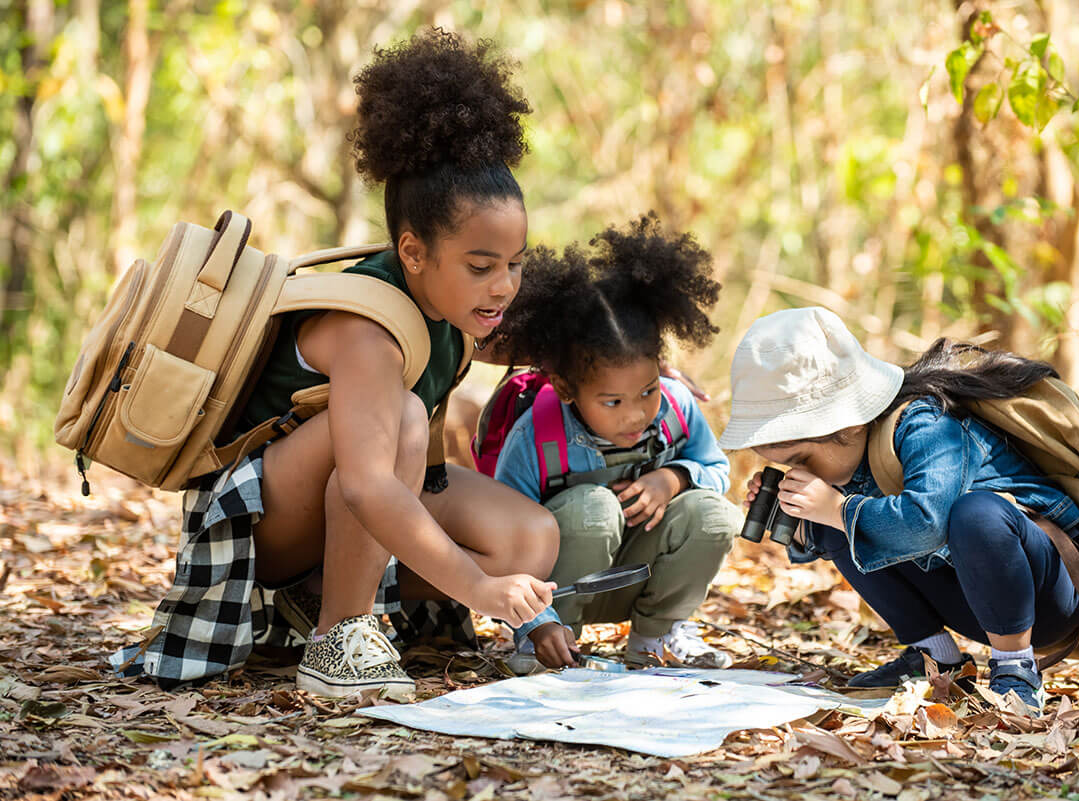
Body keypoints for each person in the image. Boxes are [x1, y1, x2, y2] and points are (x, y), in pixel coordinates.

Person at [111, 30, 559, 697]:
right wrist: (480, 588)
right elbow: (368, 486)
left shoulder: (459, 309)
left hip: (345, 493)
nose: (503, 287)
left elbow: (555, 344)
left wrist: (654, 373)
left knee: (530, 536)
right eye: (482, 266)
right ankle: (337, 635)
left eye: (515, 265)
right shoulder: (366, 329)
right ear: (412, 252)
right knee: (403, 419)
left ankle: (319, 595)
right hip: (257, 519)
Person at [720, 308, 1079, 711]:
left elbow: (926, 525)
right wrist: (802, 518)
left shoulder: (929, 426)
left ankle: (1015, 668)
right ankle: (934, 657)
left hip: (1043, 598)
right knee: (839, 521)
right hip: (971, 600)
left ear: (851, 423)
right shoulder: (848, 459)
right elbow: (851, 532)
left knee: (975, 514)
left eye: (801, 459)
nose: (798, 472)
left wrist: (839, 509)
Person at [491, 215, 742, 672]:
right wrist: (536, 621)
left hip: (639, 577)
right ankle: (550, 642)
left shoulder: (676, 406)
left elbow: (718, 470)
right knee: (593, 507)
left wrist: (675, 477)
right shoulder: (536, 435)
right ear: (567, 390)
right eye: (612, 401)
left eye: (648, 390)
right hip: (558, 594)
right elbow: (505, 536)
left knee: (715, 513)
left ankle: (657, 636)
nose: (635, 413)